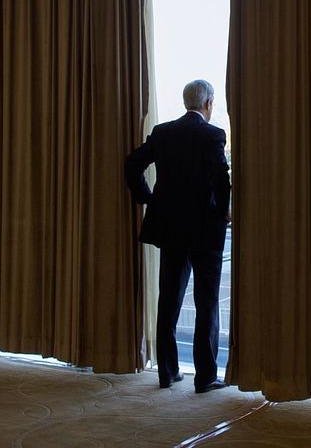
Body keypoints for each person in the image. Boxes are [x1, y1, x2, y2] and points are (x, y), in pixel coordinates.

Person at [125, 79, 231, 393]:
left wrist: (147, 198)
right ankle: (205, 376)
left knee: (169, 299)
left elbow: (133, 164)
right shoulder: (213, 135)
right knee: (206, 303)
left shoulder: (163, 132)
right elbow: (221, 179)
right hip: (204, 230)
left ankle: (168, 371)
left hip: (170, 228)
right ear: (209, 103)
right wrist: (224, 211)